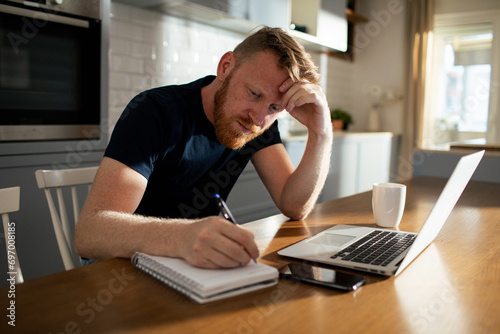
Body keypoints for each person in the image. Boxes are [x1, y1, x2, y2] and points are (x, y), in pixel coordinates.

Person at [75, 26, 333, 269]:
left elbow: (294, 205)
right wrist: (184, 236)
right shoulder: (154, 111)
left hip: (193, 264)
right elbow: (90, 233)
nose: (257, 118)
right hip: (122, 266)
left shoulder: (259, 123)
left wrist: (321, 133)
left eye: (275, 108)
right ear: (226, 66)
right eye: (254, 94)